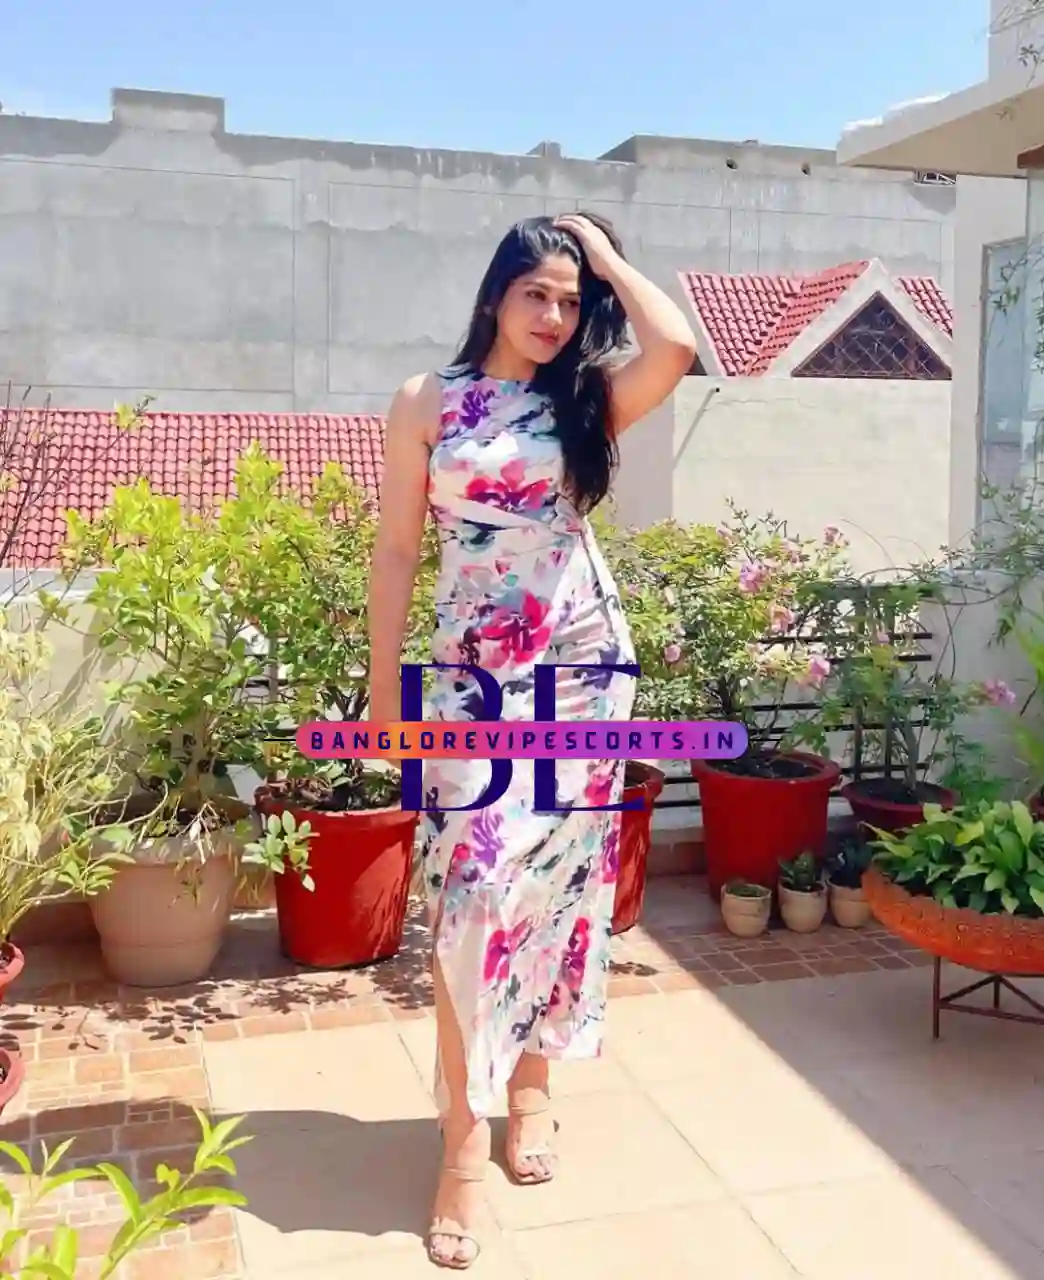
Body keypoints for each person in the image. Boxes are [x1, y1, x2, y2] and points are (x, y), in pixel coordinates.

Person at [367, 213, 696, 1268]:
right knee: (470, 893)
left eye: (569, 298)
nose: (554, 315)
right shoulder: (427, 401)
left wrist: (606, 258)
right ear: (495, 295)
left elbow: (677, 344)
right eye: (536, 293)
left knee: (557, 881)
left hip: (581, 665)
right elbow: (397, 548)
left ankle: (535, 1084)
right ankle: (463, 1144)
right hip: (472, 680)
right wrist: (384, 686)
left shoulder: (584, 399)